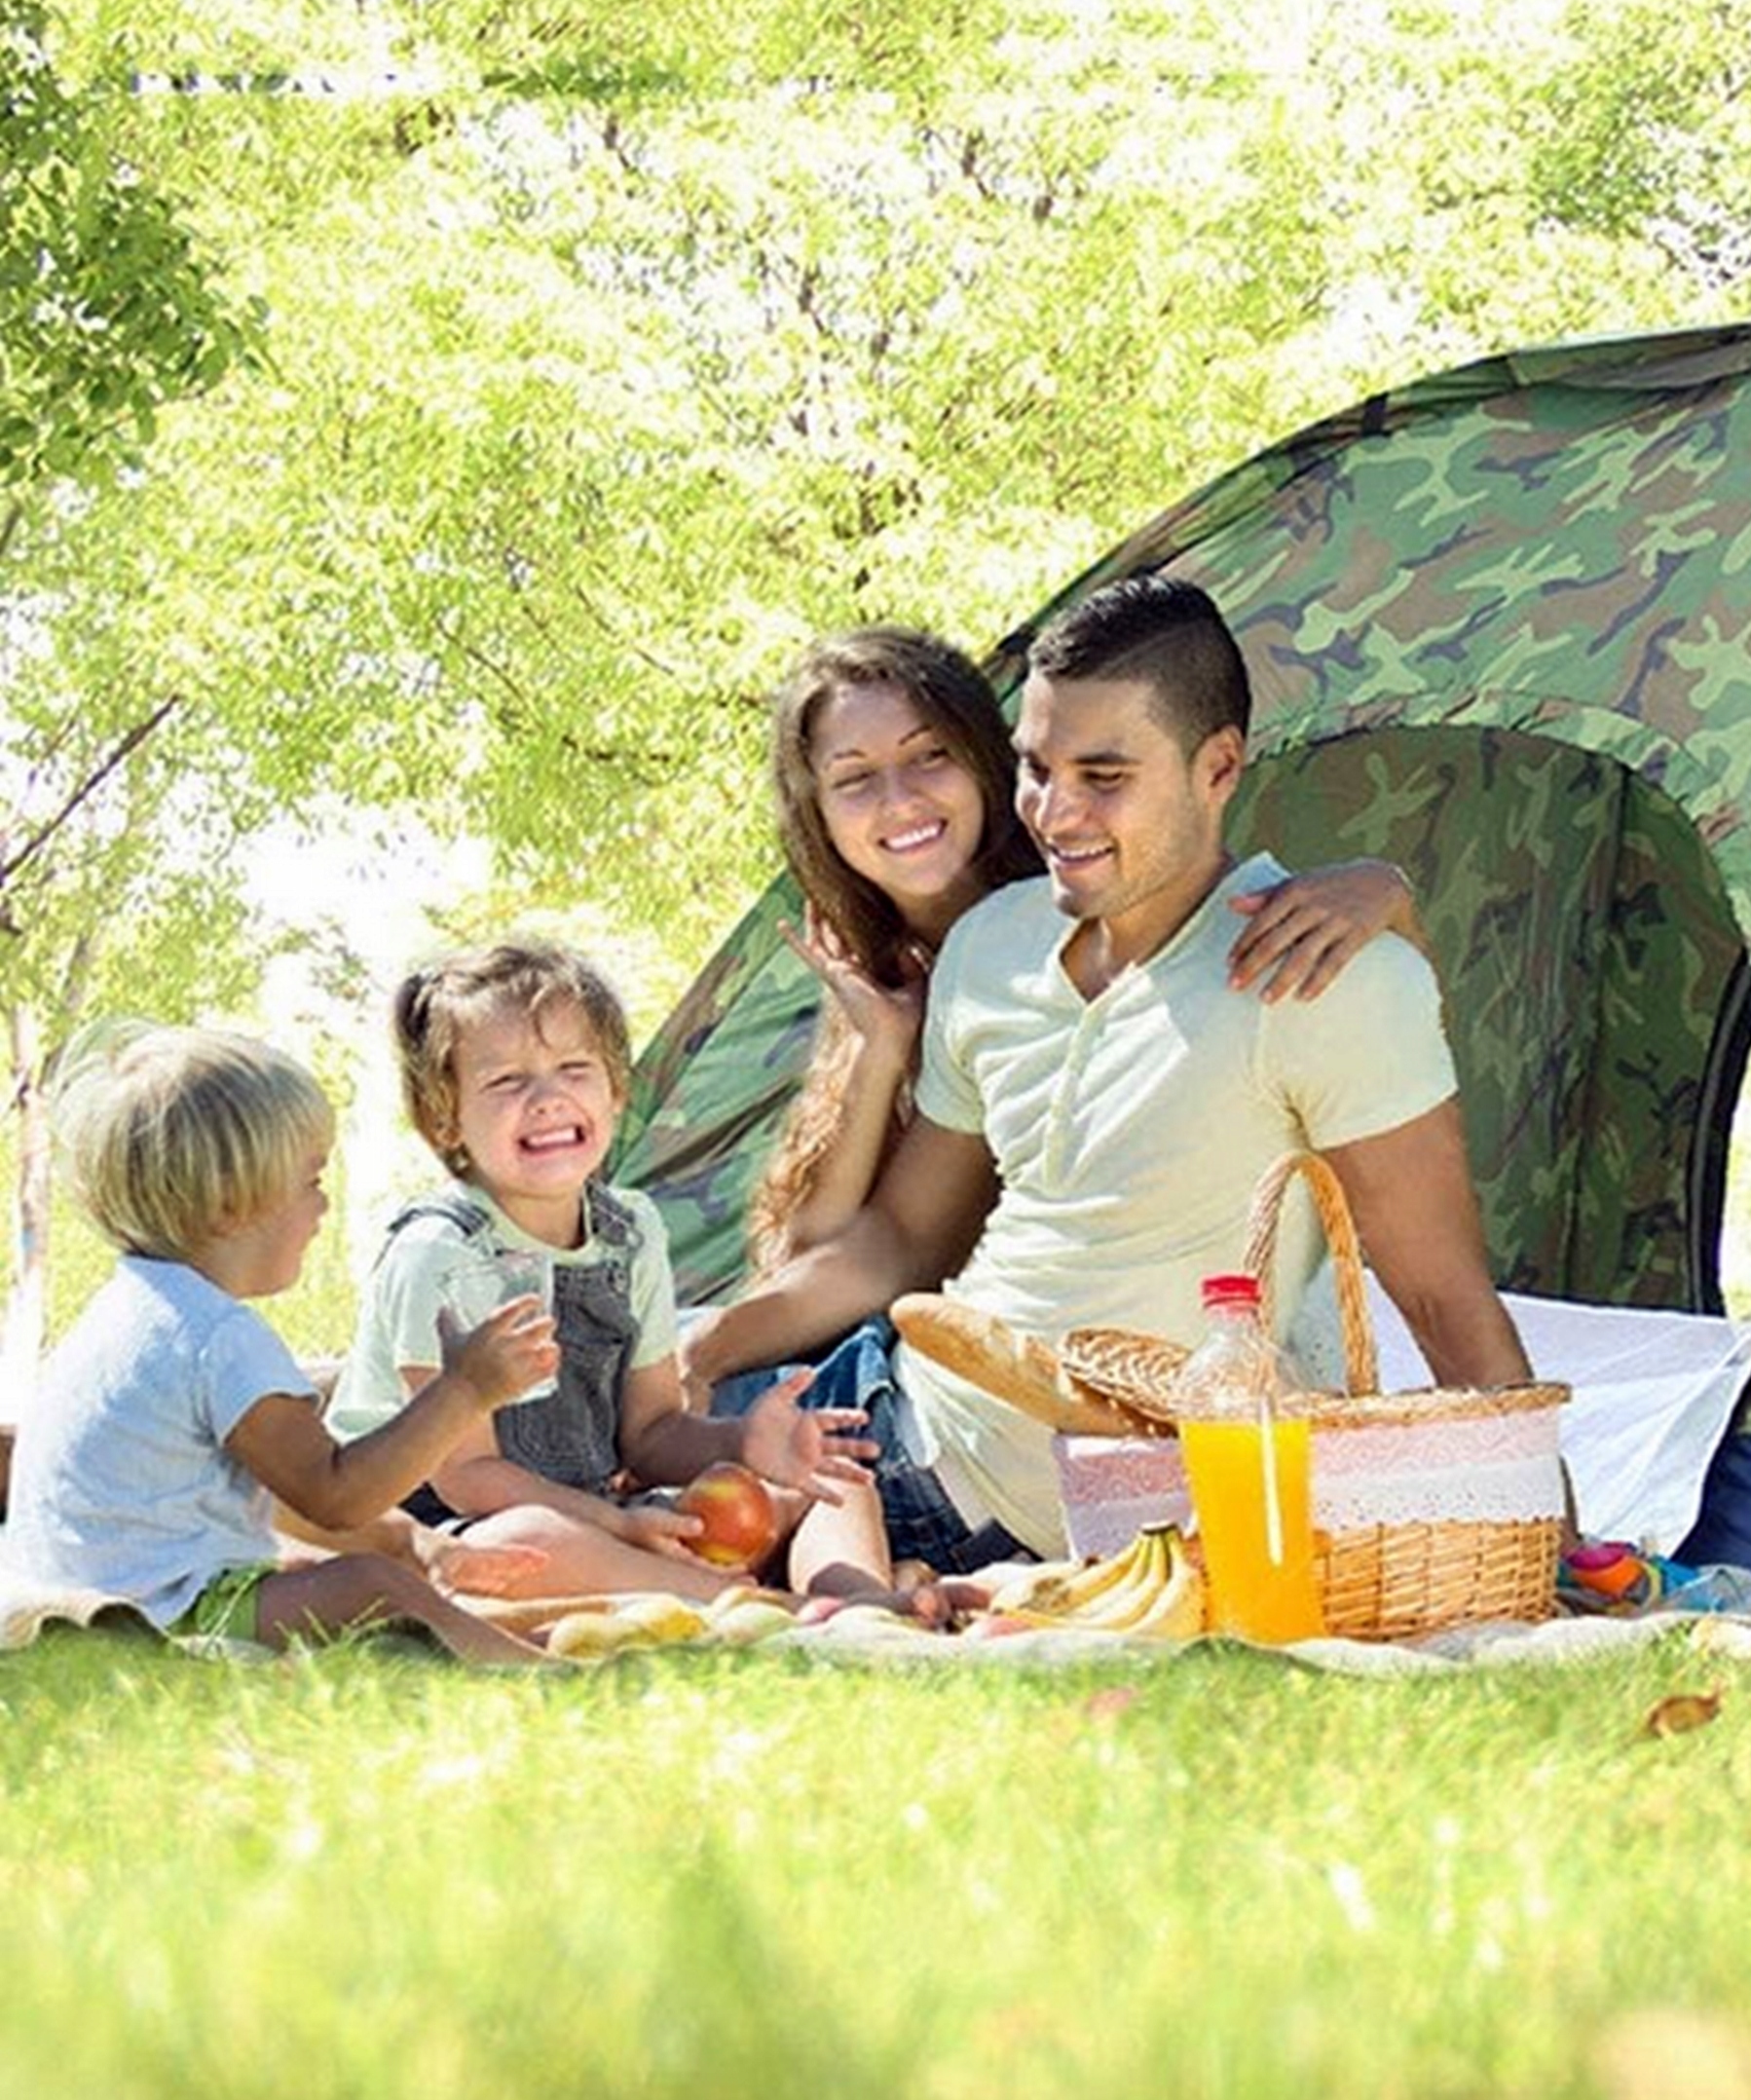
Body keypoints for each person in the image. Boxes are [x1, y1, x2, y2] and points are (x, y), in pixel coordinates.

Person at [689, 575, 1538, 1572]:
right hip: (885, 1409)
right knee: (582, 1422)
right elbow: (903, 1237)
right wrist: (700, 1352)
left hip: (1005, 1501)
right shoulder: (989, 944)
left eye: (1102, 775)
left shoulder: (1323, 974)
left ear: (1219, 767)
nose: (1056, 813)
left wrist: (1549, 1545)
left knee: (579, 1489)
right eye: (1036, 769)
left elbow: (1444, 1299)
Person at [692, 622, 1417, 1388]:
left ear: (987, 760)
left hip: (1169, 1354)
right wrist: (877, 1050)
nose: (899, 800)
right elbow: (815, 1257)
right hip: (977, 1357)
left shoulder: (1104, 910)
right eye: (855, 778)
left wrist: (1388, 893)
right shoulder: (885, 973)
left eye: (930, 756)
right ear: (818, 812)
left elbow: (1368, 1029)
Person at [323, 939, 919, 1608]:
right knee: (531, 1541)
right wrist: (618, 1527)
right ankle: (776, 1611)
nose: (548, 1098)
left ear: (615, 1091)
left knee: (828, 1483)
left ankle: (862, 1607)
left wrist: (742, 1442)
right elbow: (466, 1478)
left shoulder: (629, 1230)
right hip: (443, 1533)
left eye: (574, 1068)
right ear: (445, 1119)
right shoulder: (440, 1253)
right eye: (506, 1081)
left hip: (598, 1511)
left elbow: (652, 1432)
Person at [0, 1024, 550, 1666]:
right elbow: (335, 1495)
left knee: (308, 1567)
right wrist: (466, 1390)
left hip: (68, 1599)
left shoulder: (133, 1313)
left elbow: (280, 1492)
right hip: (153, 1620)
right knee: (370, 1588)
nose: (323, 1208)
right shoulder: (217, 1337)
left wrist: (421, 1544)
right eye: (311, 1181)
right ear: (231, 1203)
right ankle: (540, 1674)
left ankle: (498, 1638)